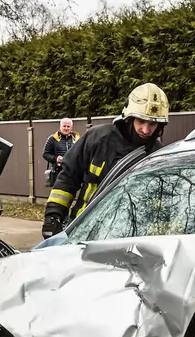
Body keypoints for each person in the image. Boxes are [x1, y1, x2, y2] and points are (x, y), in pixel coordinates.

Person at [42, 83, 169, 238]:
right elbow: (68, 177)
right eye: (141, 121)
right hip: (84, 231)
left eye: (152, 123)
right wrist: (53, 216)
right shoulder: (97, 138)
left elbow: (161, 203)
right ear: (129, 117)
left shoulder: (158, 156)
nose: (146, 130)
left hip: (130, 239)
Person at [41, 118, 80, 187]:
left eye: (68, 126)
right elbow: (45, 154)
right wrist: (56, 159)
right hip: (58, 172)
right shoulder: (52, 138)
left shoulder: (77, 138)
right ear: (60, 127)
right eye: (64, 126)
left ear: (71, 127)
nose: (66, 128)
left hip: (73, 172)